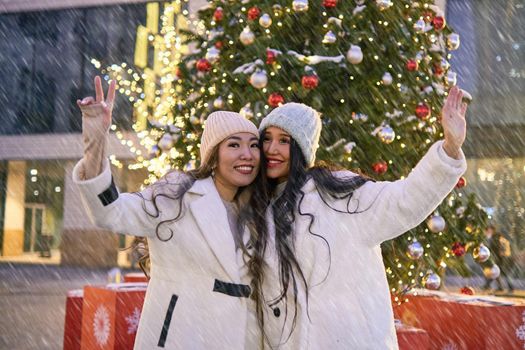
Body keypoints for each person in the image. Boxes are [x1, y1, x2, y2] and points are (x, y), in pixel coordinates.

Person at [247, 86, 468, 349]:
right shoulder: (259, 208)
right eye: (267, 139)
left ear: (301, 149)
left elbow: (405, 199)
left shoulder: (340, 195)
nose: (272, 149)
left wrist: (449, 150)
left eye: (284, 141)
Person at [73, 76, 262, 349]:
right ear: (213, 154)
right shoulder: (177, 196)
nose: (247, 154)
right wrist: (95, 140)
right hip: (182, 338)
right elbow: (110, 212)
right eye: (234, 145)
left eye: (253, 145)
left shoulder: (259, 211)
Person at [483, 225, 515, 292]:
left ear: (492, 230)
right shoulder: (495, 237)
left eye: (488, 230)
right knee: (497, 272)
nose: (487, 232)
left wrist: (489, 251)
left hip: (499, 258)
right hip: (498, 257)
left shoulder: (496, 237)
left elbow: (495, 248)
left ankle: (488, 285)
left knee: (498, 272)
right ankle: (501, 287)